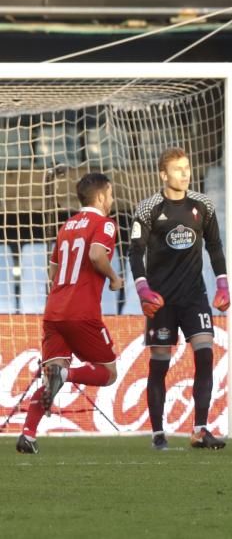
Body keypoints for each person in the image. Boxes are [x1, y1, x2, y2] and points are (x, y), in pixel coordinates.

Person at [16, 174, 124, 454]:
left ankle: (28, 434)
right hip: (82, 311)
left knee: (50, 376)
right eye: (110, 195)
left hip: (54, 311)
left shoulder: (67, 226)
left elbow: (53, 270)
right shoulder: (105, 224)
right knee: (109, 372)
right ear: (101, 196)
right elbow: (97, 255)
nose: (111, 200)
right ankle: (66, 373)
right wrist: (113, 277)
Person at [129, 148, 229, 450]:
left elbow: (214, 245)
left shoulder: (203, 205)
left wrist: (222, 283)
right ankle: (158, 432)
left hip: (194, 296)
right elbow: (135, 251)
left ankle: (200, 428)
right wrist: (143, 288)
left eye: (187, 168)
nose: (184, 173)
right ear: (164, 174)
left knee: (205, 353)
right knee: (160, 363)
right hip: (161, 300)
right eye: (177, 169)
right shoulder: (148, 209)